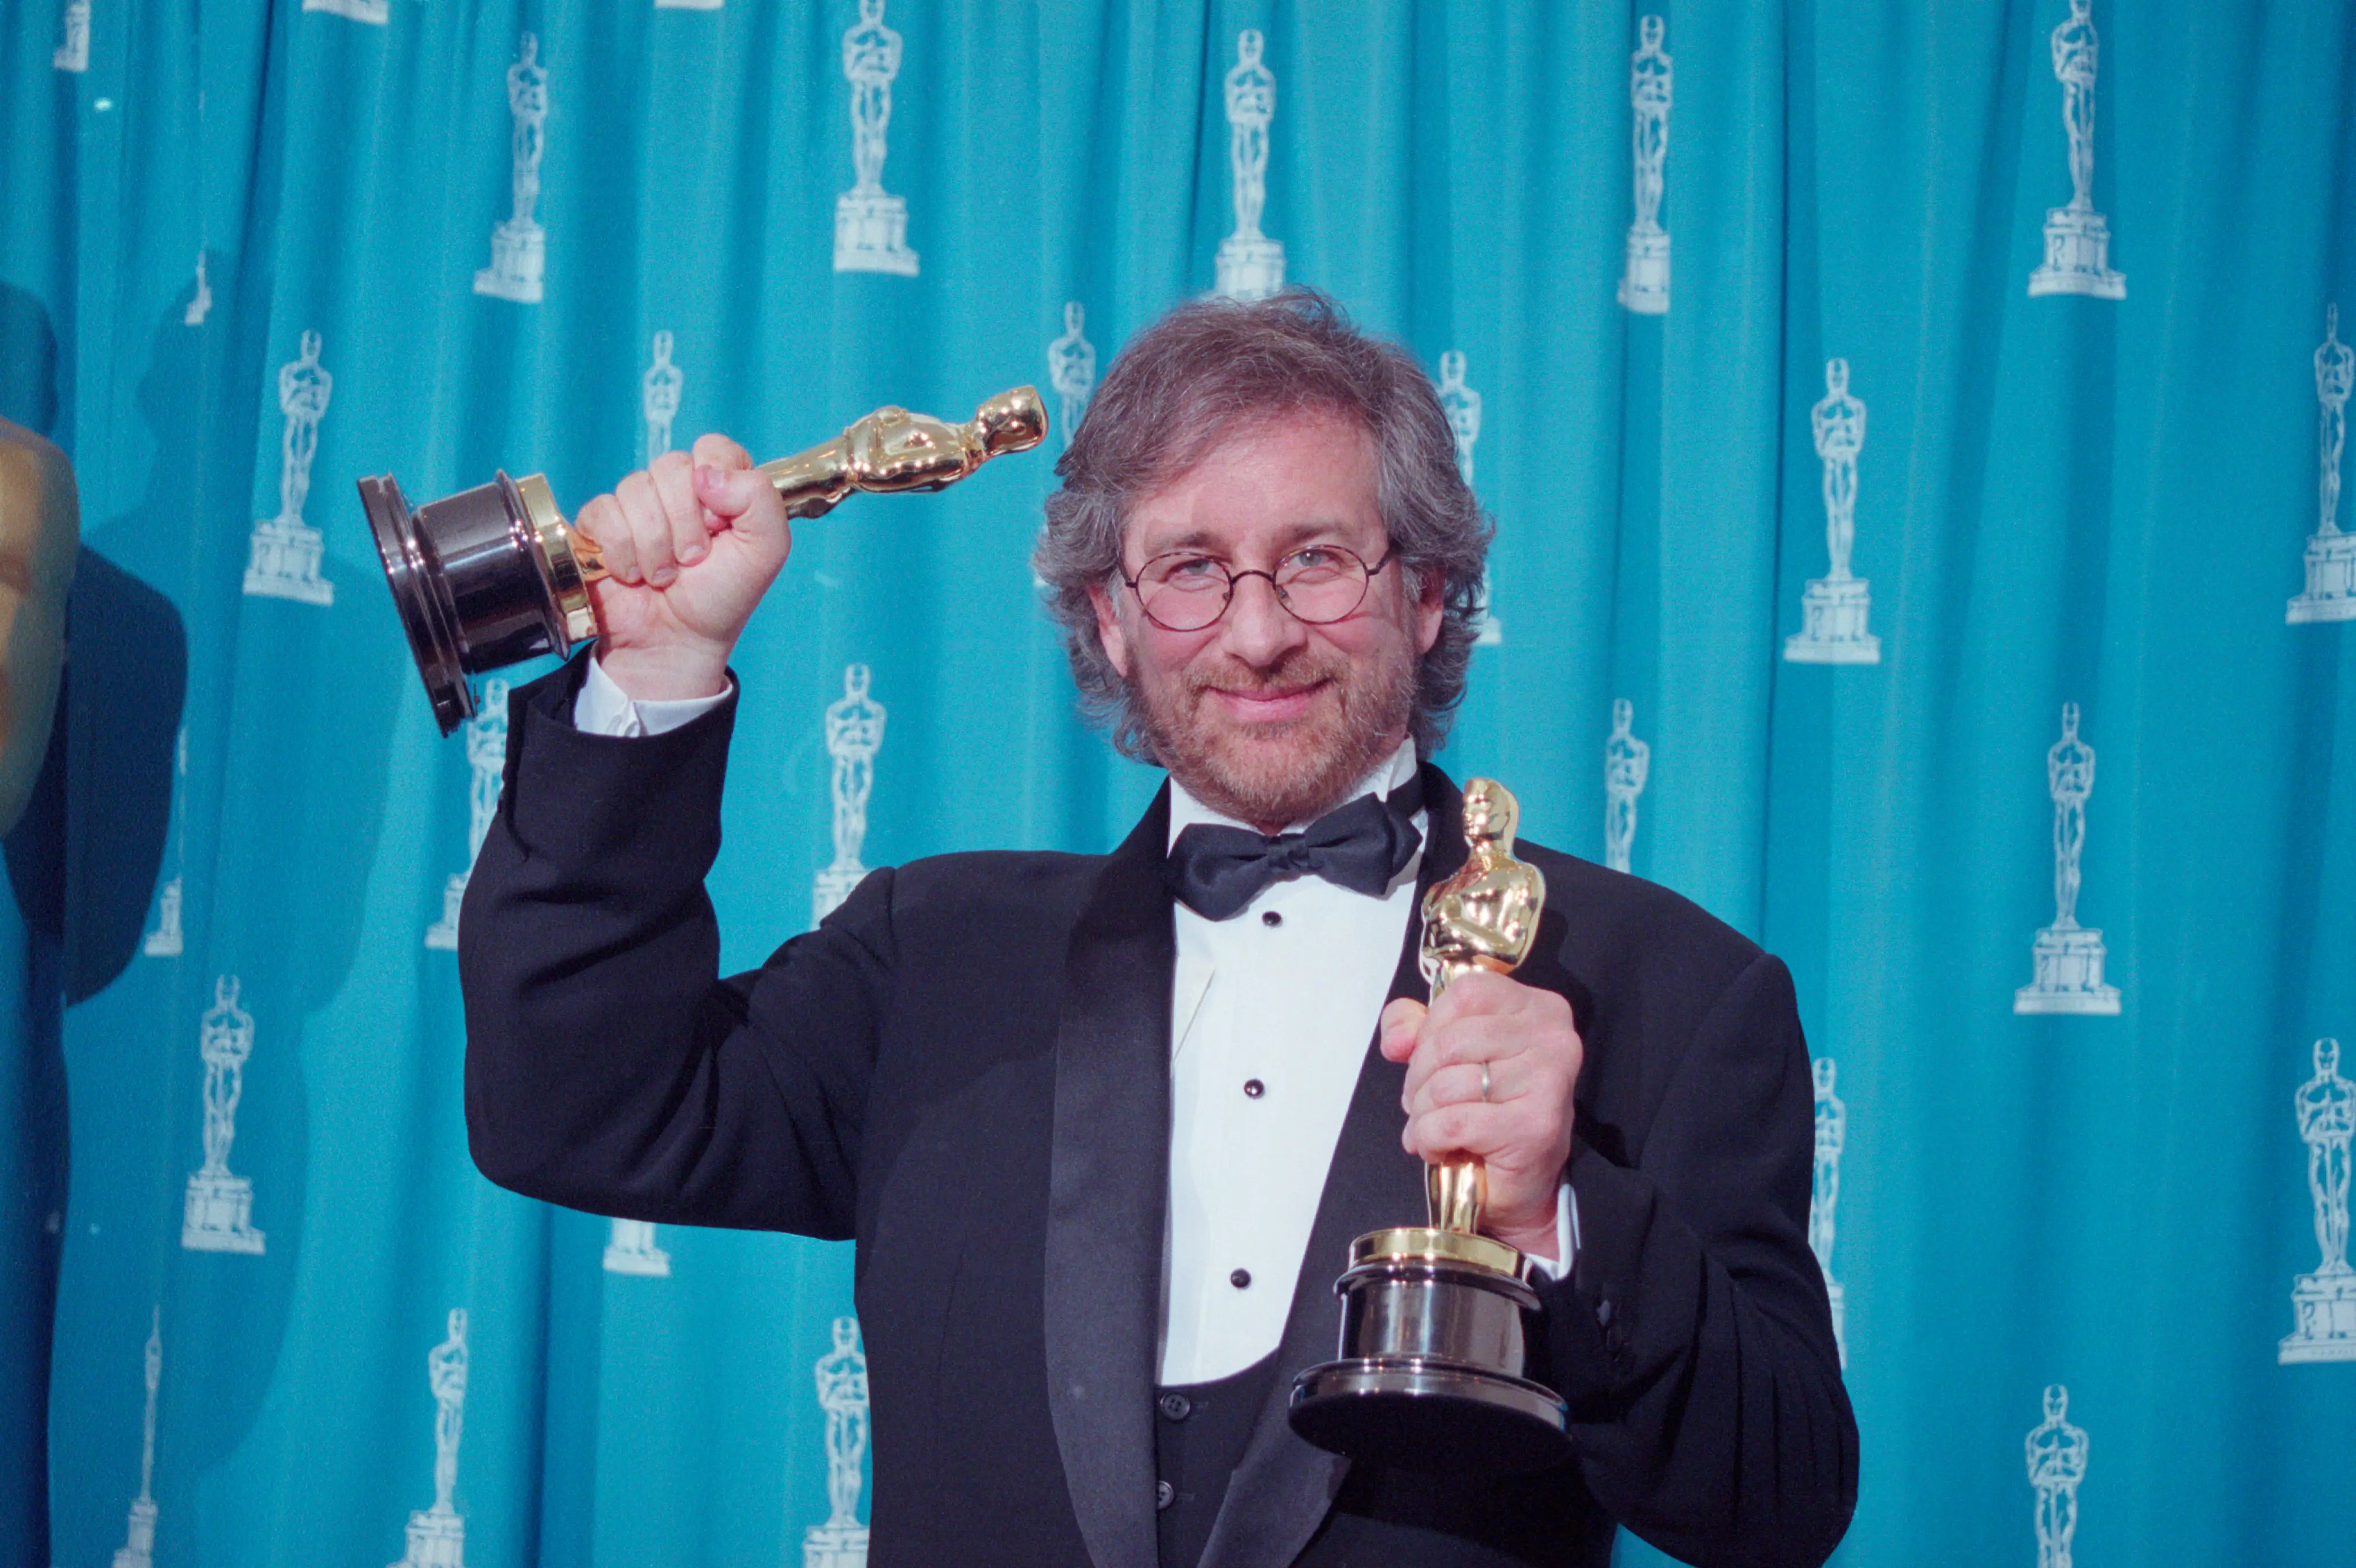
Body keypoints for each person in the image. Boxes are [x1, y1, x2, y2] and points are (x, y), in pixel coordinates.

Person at [461, 290, 1856, 1567]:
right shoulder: (932, 956)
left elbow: (1783, 1502)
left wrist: (1560, 1213)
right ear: (1110, 622)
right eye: (1187, 568)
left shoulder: (1669, 990)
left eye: (1317, 560)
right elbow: (575, 1108)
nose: (1255, 635)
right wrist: (653, 668)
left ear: (1427, 596)